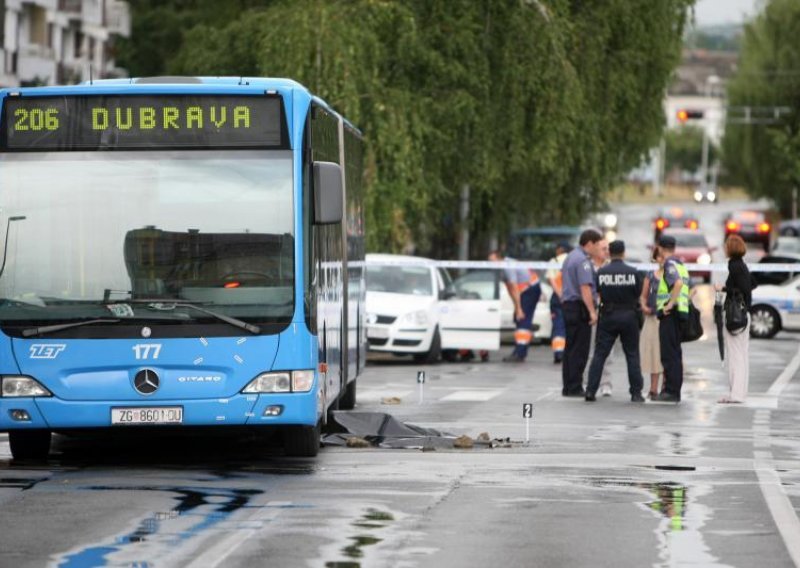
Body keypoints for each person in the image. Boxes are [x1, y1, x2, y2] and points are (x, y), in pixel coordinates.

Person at [585, 240, 645, 402]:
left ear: (609, 253)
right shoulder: (633, 272)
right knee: (632, 355)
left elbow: (598, 291)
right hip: (629, 315)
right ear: (623, 253)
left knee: (600, 354)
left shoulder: (602, 272)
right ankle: (636, 393)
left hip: (608, 316)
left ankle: (590, 391)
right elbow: (638, 293)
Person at [561, 228, 603, 396]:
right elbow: (585, 288)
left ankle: (569, 386)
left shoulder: (571, 257)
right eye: (597, 245)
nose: (598, 248)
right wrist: (592, 312)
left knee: (570, 348)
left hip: (569, 306)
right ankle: (575, 386)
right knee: (580, 349)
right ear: (590, 243)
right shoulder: (582, 261)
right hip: (579, 308)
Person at [719, 234, 756, 403]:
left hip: (736, 316)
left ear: (730, 248)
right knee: (742, 354)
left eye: (726, 245)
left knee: (735, 356)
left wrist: (723, 288)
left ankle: (736, 395)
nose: (724, 248)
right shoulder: (742, 265)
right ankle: (739, 393)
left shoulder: (734, 266)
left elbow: (742, 288)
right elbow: (752, 284)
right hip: (745, 314)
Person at [489, 250, 542, 362]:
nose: (491, 264)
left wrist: (519, 309)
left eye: (493, 261)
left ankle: (520, 353)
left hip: (530, 289)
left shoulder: (508, 266)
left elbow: (514, 288)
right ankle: (518, 351)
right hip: (525, 291)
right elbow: (509, 289)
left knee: (522, 319)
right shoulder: (501, 270)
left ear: (500, 258)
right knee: (518, 319)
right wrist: (516, 307)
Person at [655, 235, 689, 403]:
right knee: (675, 354)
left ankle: (670, 391)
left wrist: (669, 304)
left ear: (660, 248)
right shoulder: (681, 265)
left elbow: (677, 284)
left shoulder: (669, 264)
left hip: (670, 314)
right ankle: (674, 390)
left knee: (669, 355)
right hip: (680, 314)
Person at [639, 246, 664, 399]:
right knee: (653, 353)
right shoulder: (650, 275)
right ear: (655, 259)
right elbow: (643, 296)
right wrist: (644, 307)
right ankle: (653, 389)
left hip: (667, 319)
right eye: (659, 256)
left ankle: (667, 388)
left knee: (666, 354)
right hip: (652, 319)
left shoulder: (673, 274)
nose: (662, 259)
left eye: (664, 256)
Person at [546, 241, 570, 364]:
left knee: (558, 326)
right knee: (569, 325)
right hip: (571, 298)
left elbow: (551, 281)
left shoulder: (554, 261)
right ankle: (568, 353)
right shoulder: (573, 260)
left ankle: (558, 353)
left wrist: (560, 295)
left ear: (560, 249)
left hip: (558, 297)